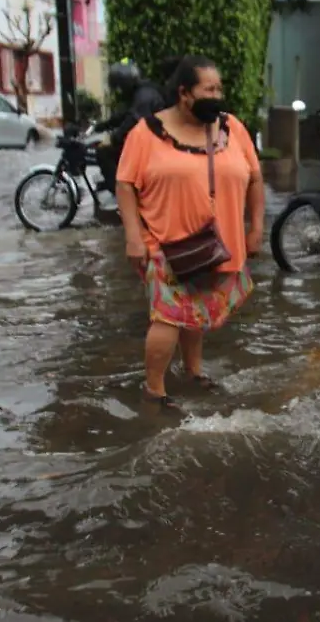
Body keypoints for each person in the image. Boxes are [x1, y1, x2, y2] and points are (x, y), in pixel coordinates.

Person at [116, 54, 264, 402]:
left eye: (219, 88)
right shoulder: (147, 133)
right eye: (209, 89)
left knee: (194, 309)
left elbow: (256, 178)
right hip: (164, 241)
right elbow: (125, 184)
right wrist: (133, 238)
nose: (217, 95)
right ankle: (154, 390)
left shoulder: (231, 128)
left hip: (215, 242)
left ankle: (193, 371)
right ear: (184, 94)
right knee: (168, 317)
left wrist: (256, 227)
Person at [95, 60, 169, 202]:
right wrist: (103, 125)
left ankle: (123, 197)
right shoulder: (143, 91)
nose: (118, 91)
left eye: (118, 86)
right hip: (155, 142)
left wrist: (112, 138)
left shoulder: (144, 96)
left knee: (103, 152)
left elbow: (133, 119)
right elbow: (125, 114)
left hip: (155, 146)